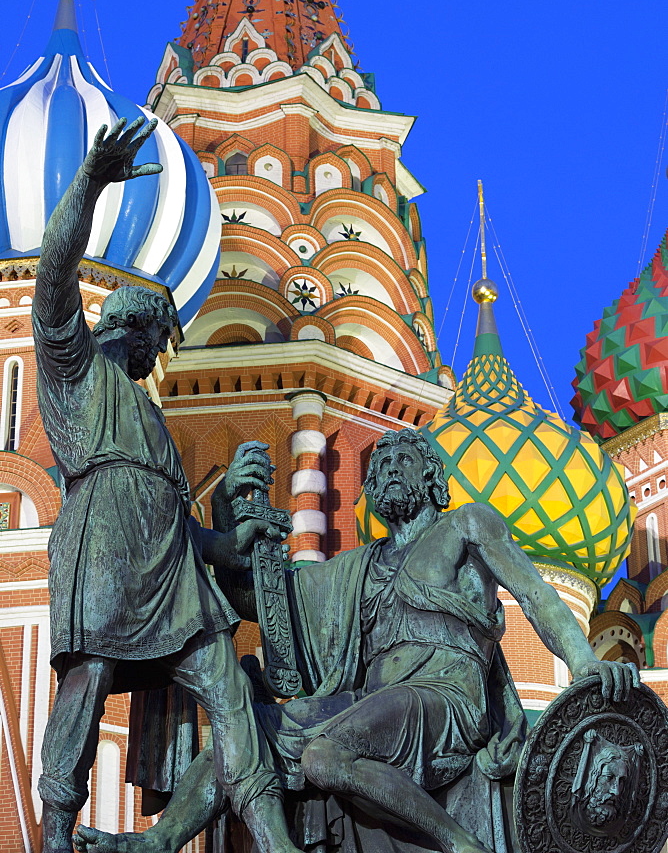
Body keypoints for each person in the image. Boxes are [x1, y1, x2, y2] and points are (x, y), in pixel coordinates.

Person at [75, 429, 639, 853]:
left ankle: (458, 844)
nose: (391, 468)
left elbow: (536, 594)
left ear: (431, 477)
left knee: (324, 755)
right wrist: (229, 520)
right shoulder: (358, 568)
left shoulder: (466, 524)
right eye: (382, 463)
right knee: (241, 728)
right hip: (374, 702)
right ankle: (159, 841)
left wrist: (586, 661)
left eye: (405, 459)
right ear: (368, 489)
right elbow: (263, 605)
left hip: (446, 696)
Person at [35, 117, 303, 853]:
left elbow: (176, 525)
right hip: (104, 553)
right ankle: (56, 832)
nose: (158, 354)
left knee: (231, 693)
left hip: (172, 573)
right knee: (85, 687)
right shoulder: (76, 371)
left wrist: (229, 542)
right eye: (159, 339)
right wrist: (89, 183)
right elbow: (55, 279)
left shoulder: (152, 420)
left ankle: (271, 837)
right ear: (140, 328)